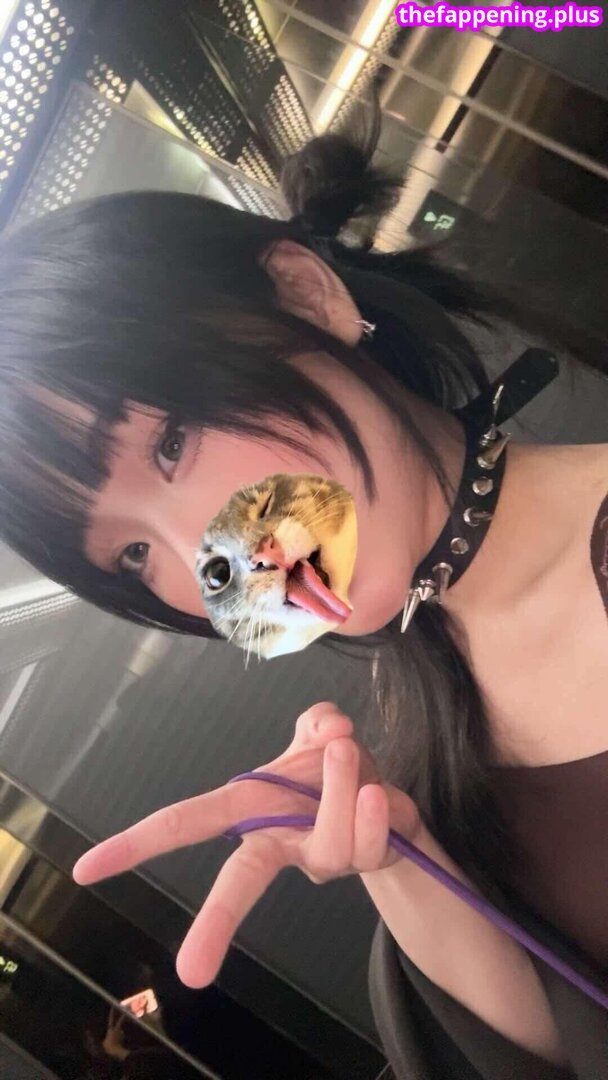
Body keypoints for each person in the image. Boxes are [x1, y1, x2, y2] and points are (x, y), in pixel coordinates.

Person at [0, 102, 606, 1079]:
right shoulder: (416, 764)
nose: (208, 561)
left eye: (171, 442)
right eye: (131, 556)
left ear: (303, 295)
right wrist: (406, 867)